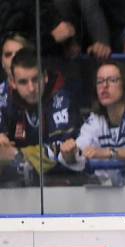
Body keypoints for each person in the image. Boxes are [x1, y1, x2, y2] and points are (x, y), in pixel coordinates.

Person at [0, 47, 81, 186]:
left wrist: (16, 154)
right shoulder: (4, 98)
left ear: (45, 76)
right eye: (23, 82)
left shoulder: (62, 100)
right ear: (12, 82)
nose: (31, 88)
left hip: (60, 183)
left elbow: (61, 149)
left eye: (36, 79)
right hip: (13, 186)